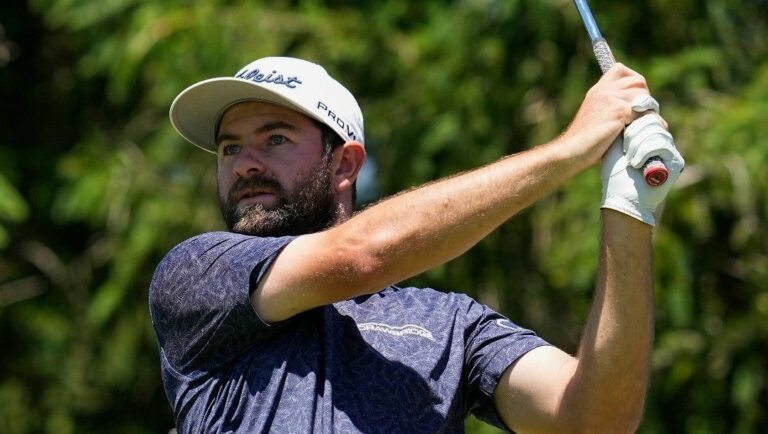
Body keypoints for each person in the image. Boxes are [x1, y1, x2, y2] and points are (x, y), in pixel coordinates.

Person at [149, 56, 684, 433]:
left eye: (275, 139)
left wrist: (629, 210)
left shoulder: (449, 324)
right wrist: (570, 150)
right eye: (230, 148)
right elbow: (358, 257)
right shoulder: (197, 273)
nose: (245, 164)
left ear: (344, 165)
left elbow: (594, 421)